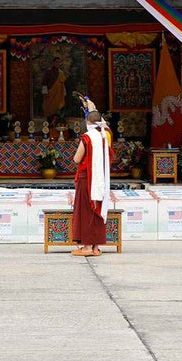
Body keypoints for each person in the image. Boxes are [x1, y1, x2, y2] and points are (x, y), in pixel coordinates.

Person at [72, 107, 112, 257]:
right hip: (101, 179)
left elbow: (77, 158)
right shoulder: (105, 136)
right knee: (98, 209)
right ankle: (95, 248)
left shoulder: (87, 137)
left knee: (86, 210)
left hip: (87, 179)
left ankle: (87, 247)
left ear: (88, 122)